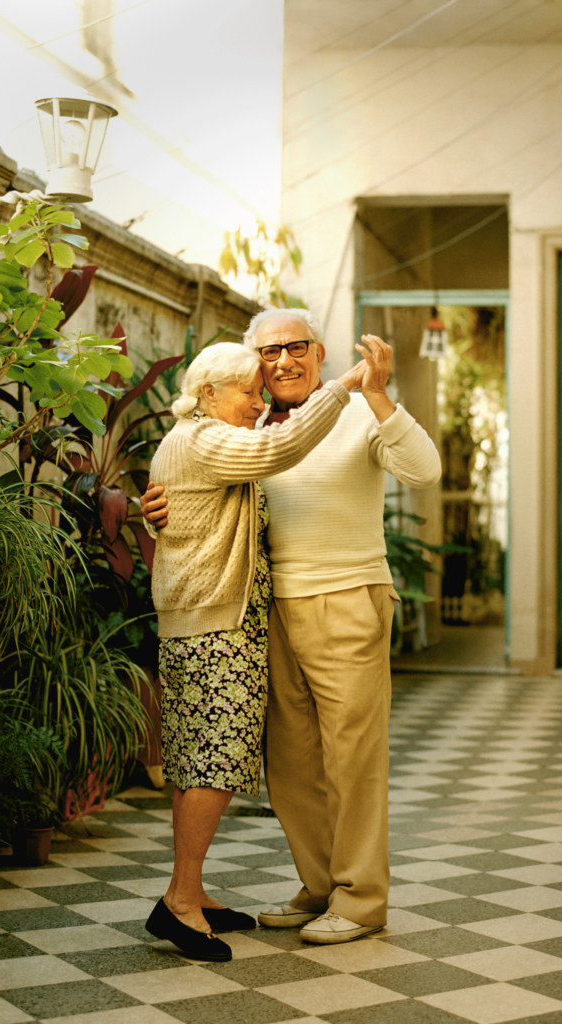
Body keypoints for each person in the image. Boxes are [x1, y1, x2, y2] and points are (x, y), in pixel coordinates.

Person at [142, 312, 441, 947]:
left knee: (353, 759)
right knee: (291, 761)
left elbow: (424, 470)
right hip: (268, 608)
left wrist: (380, 396)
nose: (283, 360)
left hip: (346, 599)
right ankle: (320, 883)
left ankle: (360, 899)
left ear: (319, 350)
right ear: (253, 364)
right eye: (269, 351)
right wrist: (155, 510)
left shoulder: (356, 412)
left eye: (295, 346)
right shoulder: (243, 428)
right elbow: (205, 505)